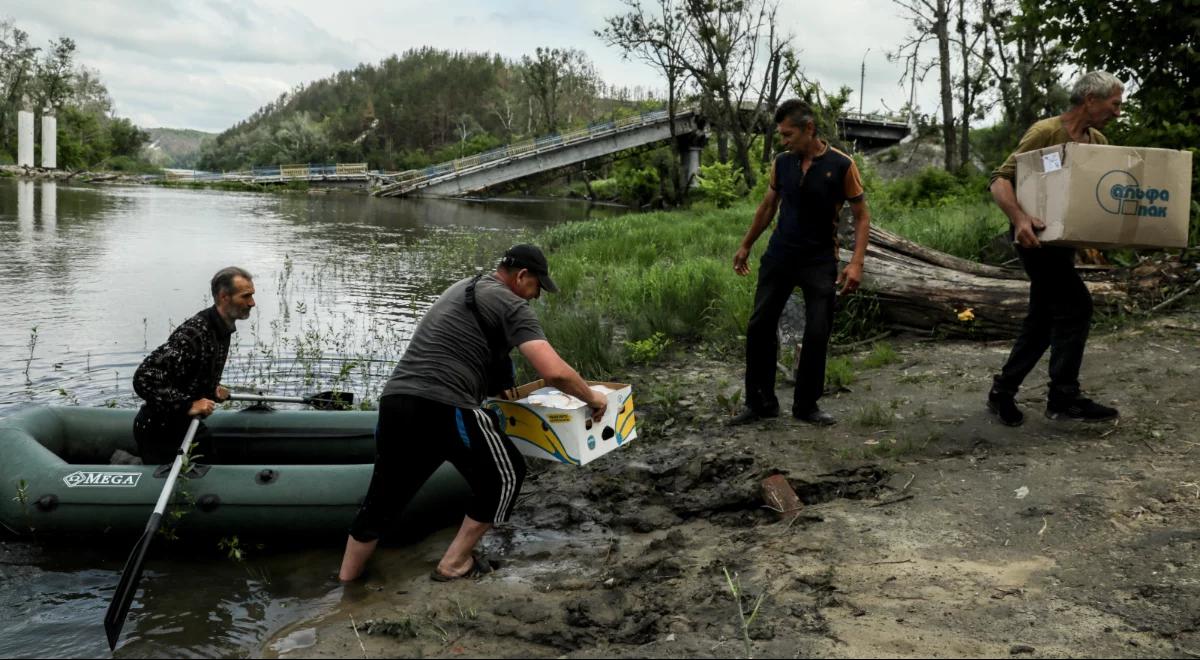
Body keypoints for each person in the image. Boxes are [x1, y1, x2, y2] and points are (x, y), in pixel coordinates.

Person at [338, 244, 607, 582]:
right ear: (522, 276)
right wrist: (592, 397)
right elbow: (554, 372)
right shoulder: (512, 304)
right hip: (444, 404)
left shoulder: (464, 289)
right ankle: (454, 563)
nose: (537, 297)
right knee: (507, 474)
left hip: (396, 401)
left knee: (382, 501)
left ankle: (346, 585)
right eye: (538, 286)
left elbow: (491, 371)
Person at [986, 71, 1124, 426]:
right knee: (1076, 305)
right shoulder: (1046, 132)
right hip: (1034, 239)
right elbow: (1000, 180)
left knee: (1044, 317)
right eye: (1115, 104)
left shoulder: (1099, 141)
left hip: (1064, 244)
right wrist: (1019, 219)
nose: (1118, 112)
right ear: (1090, 98)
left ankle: (1003, 392)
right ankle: (1064, 396)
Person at [729, 99, 871, 427]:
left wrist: (856, 264)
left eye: (788, 134)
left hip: (820, 259)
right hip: (780, 255)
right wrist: (746, 245)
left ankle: (806, 405)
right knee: (759, 326)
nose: (784, 140)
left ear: (809, 129)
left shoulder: (842, 165)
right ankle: (760, 402)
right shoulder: (782, 163)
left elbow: (862, 216)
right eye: (781, 134)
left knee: (818, 330)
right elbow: (768, 206)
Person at [132, 267, 256, 464]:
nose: (252, 303)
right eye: (246, 296)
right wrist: (188, 405)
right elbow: (144, 378)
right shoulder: (194, 334)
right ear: (224, 297)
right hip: (160, 430)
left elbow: (185, 375)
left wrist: (210, 390)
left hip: (183, 424)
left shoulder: (222, 328)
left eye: (252, 295)